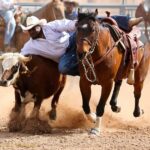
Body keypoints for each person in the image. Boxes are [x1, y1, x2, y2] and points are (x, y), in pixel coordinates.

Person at [20, 15, 143, 76]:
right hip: (66, 55)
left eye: (32, 29)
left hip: (72, 40)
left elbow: (66, 24)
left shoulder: (50, 26)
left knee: (90, 20)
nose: (30, 32)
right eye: (28, 30)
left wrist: (79, 24)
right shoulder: (31, 45)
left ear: (39, 27)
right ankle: (88, 72)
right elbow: (20, 55)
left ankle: (126, 21)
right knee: (63, 68)